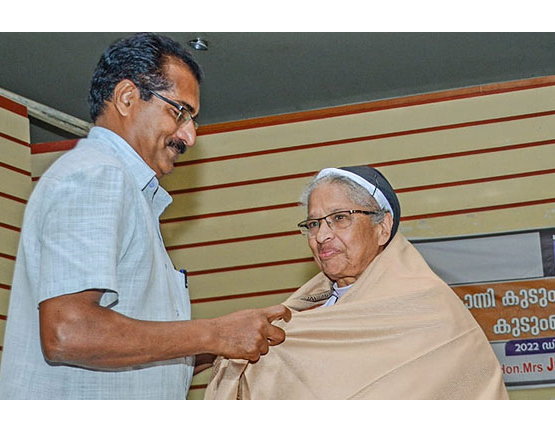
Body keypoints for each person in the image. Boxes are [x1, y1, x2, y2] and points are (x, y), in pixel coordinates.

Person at [0, 33, 291, 400]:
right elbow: (68, 332)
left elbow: (129, 348)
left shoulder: (127, 190)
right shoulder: (97, 174)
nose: (190, 135)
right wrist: (215, 333)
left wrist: (232, 340)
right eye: (179, 111)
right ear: (126, 97)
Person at [205, 165, 508, 399]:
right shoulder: (302, 321)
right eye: (313, 224)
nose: (321, 236)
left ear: (383, 227)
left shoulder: (432, 312)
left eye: (340, 218)